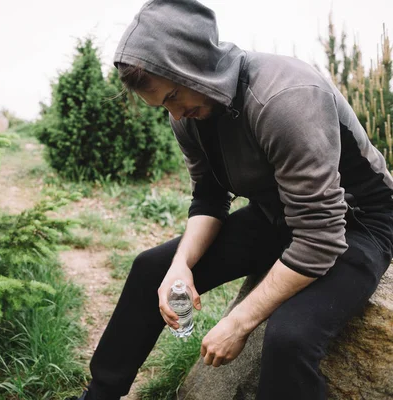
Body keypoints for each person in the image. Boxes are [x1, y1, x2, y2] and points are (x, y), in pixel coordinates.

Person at [67, 1, 393, 399]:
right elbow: (209, 197)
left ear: (194, 66)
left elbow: (321, 236)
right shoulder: (189, 113)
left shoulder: (284, 97)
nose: (175, 114)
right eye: (163, 106)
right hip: (278, 214)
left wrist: (240, 321)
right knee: (151, 269)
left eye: (172, 95)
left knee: (288, 339)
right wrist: (180, 267)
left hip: (356, 222)